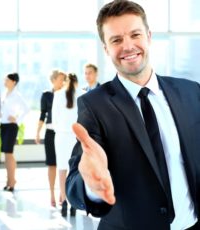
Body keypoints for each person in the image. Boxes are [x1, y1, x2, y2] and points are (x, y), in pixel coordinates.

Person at [66, 1, 200, 229]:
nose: (128, 46)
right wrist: (91, 185)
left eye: (135, 35)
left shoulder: (191, 92)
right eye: (116, 40)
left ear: (148, 36)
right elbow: (75, 183)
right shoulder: (94, 105)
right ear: (106, 48)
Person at [52, 73, 82, 217]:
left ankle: (63, 200)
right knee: (76, 168)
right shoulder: (82, 94)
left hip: (62, 136)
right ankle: (74, 202)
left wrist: (61, 129)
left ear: (65, 81)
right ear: (77, 82)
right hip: (76, 136)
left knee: (62, 168)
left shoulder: (58, 94)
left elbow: (54, 119)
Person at [35, 70, 66, 207]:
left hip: (64, 133)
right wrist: (37, 132)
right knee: (52, 164)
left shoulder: (67, 95)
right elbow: (42, 115)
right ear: (53, 80)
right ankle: (52, 194)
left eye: (64, 79)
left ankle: (63, 193)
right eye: (60, 79)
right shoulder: (46, 95)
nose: (63, 82)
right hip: (50, 133)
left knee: (64, 164)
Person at [0, 73, 29, 192]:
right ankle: (9, 180)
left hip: (12, 126)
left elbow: (26, 109)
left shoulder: (17, 95)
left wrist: (17, 119)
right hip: (3, 125)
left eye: (7, 80)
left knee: (9, 153)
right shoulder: (4, 93)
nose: (5, 82)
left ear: (13, 82)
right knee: (6, 154)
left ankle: (12, 181)